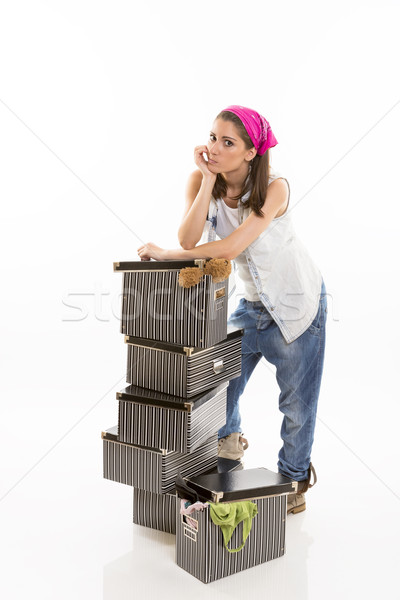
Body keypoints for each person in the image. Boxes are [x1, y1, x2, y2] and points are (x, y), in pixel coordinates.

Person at [137, 105, 328, 515]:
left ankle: (294, 482)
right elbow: (190, 239)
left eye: (228, 142)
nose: (215, 148)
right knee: (219, 386)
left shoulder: (276, 188)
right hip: (252, 306)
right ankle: (230, 443)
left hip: (297, 306)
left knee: (296, 405)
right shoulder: (201, 178)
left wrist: (165, 255)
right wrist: (207, 180)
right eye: (212, 137)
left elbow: (231, 247)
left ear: (250, 153)